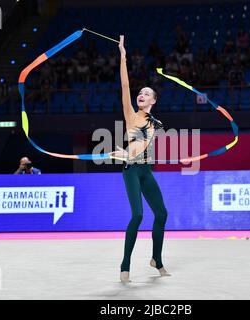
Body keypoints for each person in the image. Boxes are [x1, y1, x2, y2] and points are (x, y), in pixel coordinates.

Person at [109, 35, 170, 283]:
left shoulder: (155, 123)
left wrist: (129, 151)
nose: (141, 95)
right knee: (137, 216)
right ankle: (125, 266)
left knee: (162, 214)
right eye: (140, 93)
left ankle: (157, 259)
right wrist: (122, 56)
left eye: (147, 93)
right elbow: (125, 86)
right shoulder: (131, 114)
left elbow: (144, 144)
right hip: (131, 170)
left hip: (146, 169)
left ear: (154, 101)